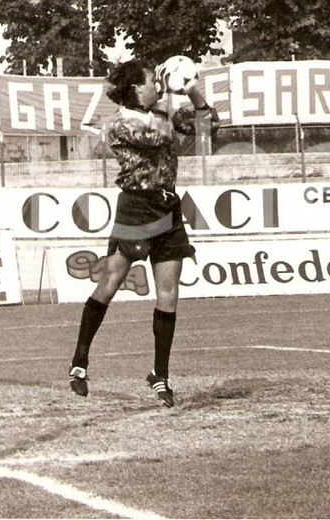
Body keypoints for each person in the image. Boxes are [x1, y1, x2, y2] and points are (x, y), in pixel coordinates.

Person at [67, 56, 218, 406]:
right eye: (153, 81)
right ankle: (79, 362)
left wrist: (193, 90)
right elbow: (156, 137)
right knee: (110, 282)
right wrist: (172, 99)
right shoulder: (121, 123)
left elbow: (209, 127)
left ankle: (160, 374)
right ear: (137, 88)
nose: (158, 85)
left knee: (169, 292)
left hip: (168, 207)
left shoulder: (162, 116)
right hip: (136, 208)